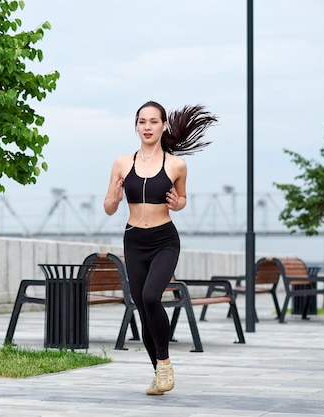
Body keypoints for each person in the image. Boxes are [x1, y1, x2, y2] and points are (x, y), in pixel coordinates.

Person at [103, 101, 217, 395]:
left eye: (154, 122)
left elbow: (181, 200)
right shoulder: (122, 163)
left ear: (163, 125)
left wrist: (179, 203)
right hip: (134, 240)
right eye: (142, 122)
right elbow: (108, 207)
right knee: (142, 308)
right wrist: (115, 199)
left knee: (151, 296)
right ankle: (159, 372)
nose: (148, 127)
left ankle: (164, 364)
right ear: (136, 126)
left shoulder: (176, 164)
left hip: (164, 240)